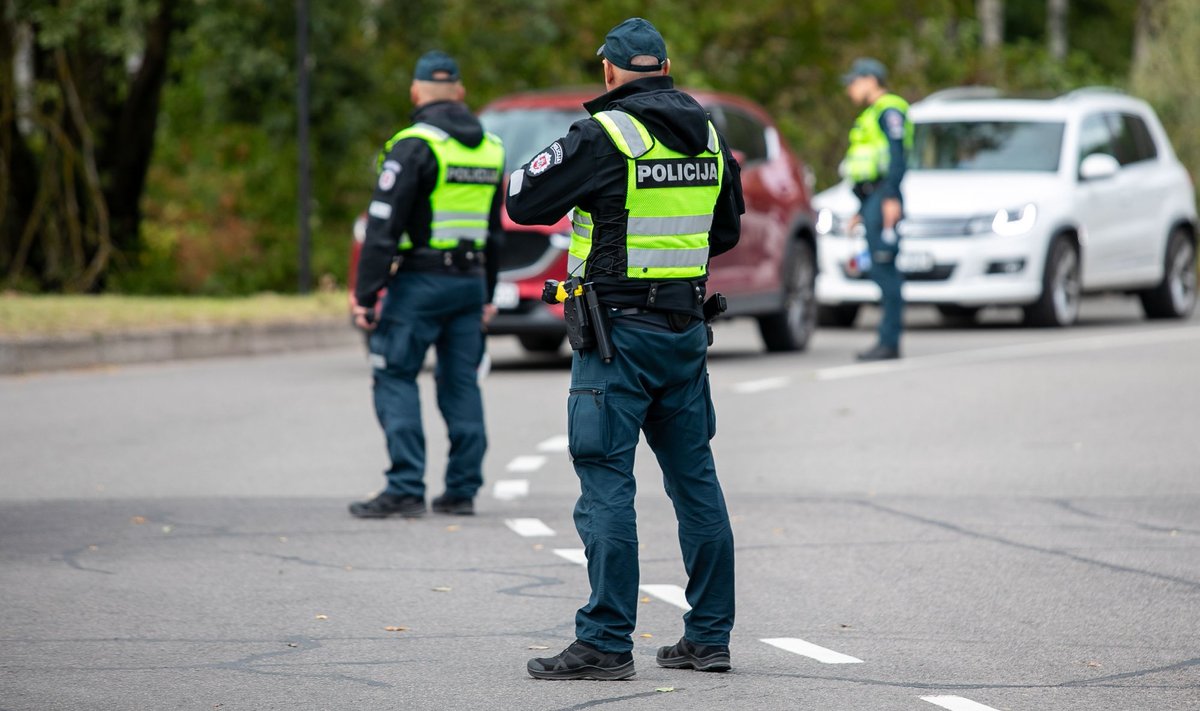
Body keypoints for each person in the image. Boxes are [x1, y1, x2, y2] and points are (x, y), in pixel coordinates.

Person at [507, 18, 744, 680]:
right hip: (684, 332)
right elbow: (722, 231)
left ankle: (607, 641)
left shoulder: (605, 134)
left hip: (615, 339)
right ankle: (709, 636)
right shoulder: (709, 135)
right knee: (695, 479)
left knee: (605, 478)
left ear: (609, 72)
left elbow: (524, 200)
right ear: (665, 67)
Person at [348, 50, 504, 519]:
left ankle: (405, 487)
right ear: (460, 93)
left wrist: (365, 294)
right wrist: (489, 294)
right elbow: (494, 232)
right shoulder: (491, 147)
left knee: (395, 374)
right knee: (461, 383)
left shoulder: (412, 145)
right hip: (471, 282)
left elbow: (382, 228)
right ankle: (461, 490)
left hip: (419, 282)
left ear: (415, 92)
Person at [842, 57, 912, 361]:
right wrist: (862, 207)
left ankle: (889, 341)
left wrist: (891, 198)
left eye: (853, 82)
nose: (849, 90)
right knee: (880, 268)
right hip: (874, 198)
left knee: (885, 269)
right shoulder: (872, 113)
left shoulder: (889, 109)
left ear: (870, 79)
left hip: (884, 197)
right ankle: (887, 340)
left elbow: (897, 157)